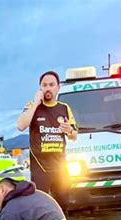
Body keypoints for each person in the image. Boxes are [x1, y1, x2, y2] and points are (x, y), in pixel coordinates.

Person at [16, 71, 78, 212]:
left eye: (51, 85)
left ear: (58, 87)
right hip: (40, 169)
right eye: (44, 85)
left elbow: (74, 136)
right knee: (40, 207)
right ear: (40, 88)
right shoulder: (32, 106)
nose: (48, 88)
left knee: (62, 206)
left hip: (61, 167)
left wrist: (69, 130)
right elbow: (20, 125)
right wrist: (36, 103)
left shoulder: (64, 108)